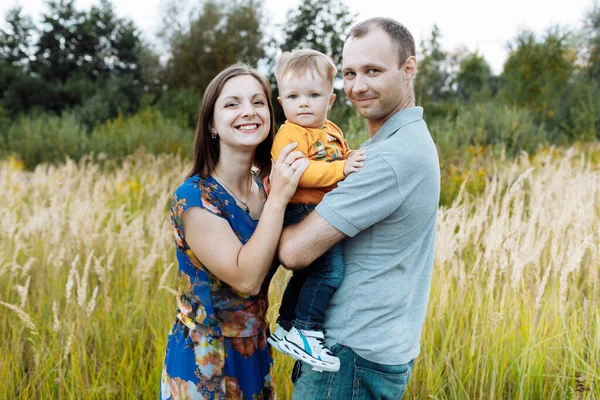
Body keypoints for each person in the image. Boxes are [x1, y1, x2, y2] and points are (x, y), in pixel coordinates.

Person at [278, 18, 441, 399]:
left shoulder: (388, 158)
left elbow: (294, 252)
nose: (357, 86)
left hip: (351, 355)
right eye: (349, 73)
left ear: (408, 69)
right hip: (368, 350)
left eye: (373, 71)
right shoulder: (401, 142)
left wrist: (271, 204)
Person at [160, 63, 309, 400]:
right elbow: (246, 280)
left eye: (259, 102)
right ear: (212, 123)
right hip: (206, 360)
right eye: (232, 104)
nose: (249, 112)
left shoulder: (264, 188)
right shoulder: (194, 198)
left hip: (253, 351)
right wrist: (281, 198)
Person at [266, 49, 367, 373]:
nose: (304, 103)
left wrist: (352, 159)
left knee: (309, 271)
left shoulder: (331, 129)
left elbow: (343, 153)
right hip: (300, 208)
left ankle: (285, 325)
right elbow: (300, 172)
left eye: (313, 95)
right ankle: (306, 330)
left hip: (320, 208)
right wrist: (341, 170)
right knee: (330, 271)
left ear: (330, 100)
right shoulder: (289, 133)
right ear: (282, 103)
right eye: (294, 96)